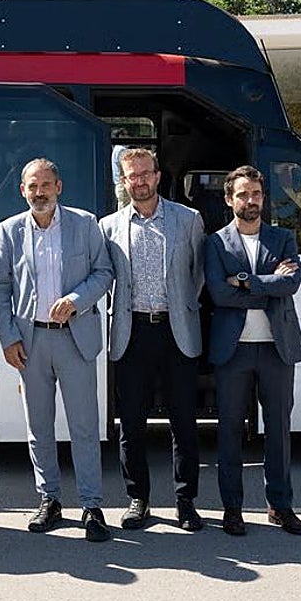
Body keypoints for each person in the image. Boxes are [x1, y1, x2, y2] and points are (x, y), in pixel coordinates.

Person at [0, 158, 114, 542]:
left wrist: (77, 299)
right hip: (31, 341)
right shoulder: (10, 230)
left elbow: (104, 272)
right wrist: (8, 337)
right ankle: (49, 499)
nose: (40, 192)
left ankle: (91, 506)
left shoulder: (85, 223)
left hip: (75, 337)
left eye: (46, 185)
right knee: (38, 427)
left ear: (59, 187)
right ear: (23, 191)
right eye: (33, 186)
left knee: (83, 426)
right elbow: (1, 286)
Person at [99, 148, 205, 532]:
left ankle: (185, 501)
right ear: (124, 182)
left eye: (146, 173)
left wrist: (179, 308)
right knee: (131, 423)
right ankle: (138, 498)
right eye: (132, 176)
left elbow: (198, 275)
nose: (139, 181)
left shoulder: (188, 220)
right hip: (132, 332)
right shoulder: (108, 227)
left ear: (158, 176)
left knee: (184, 422)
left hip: (177, 332)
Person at [204, 165, 301, 537]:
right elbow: (218, 293)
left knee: (278, 429)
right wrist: (268, 283)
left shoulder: (283, 238)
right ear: (229, 199)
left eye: (257, 195)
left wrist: (246, 280)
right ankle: (232, 509)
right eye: (244, 195)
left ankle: (280, 506)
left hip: (276, 348)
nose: (251, 201)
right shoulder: (215, 243)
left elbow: (291, 283)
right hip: (233, 352)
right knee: (229, 430)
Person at [110, 129, 130, 210]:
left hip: (118, 183)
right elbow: (127, 165)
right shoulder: (121, 149)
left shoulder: (115, 149)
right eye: (125, 135)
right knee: (124, 207)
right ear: (120, 136)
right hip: (123, 184)